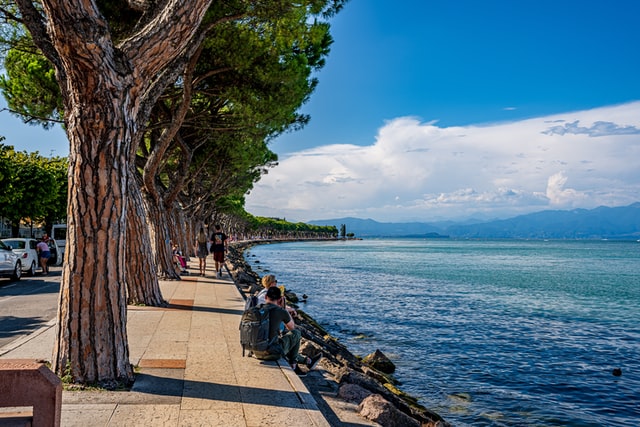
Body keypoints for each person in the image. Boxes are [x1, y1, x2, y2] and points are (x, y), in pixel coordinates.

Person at [263, 286, 321, 376]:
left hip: (255, 351)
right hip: (270, 353)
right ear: (279, 299)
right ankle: (294, 364)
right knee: (296, 334)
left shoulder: (257, 309)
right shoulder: (279, 311)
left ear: (265, 297)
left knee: (283, 343)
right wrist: (284, 309)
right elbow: (292, 328)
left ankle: (307, 361)